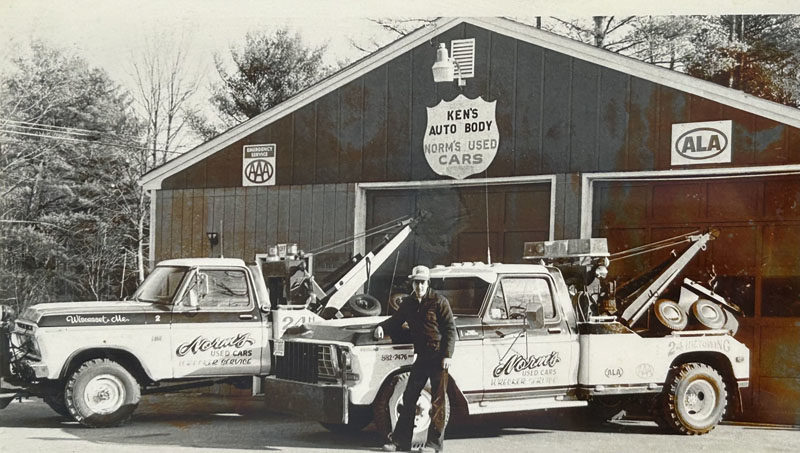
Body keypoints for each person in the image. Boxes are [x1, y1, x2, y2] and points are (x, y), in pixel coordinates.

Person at [374, 265, 456, 453]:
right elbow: (395, 321)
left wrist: (447, 355)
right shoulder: (408, 303)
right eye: (416, 282)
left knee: (437, 401)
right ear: (412, 283)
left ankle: (434, 445)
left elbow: (450, 330)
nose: (419, 286)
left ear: (428, 283)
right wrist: (381, 327)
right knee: (409, 397)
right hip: (422, 357)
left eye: (422, 282)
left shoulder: (439, 301)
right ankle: (400, 443)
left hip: (438, 356)